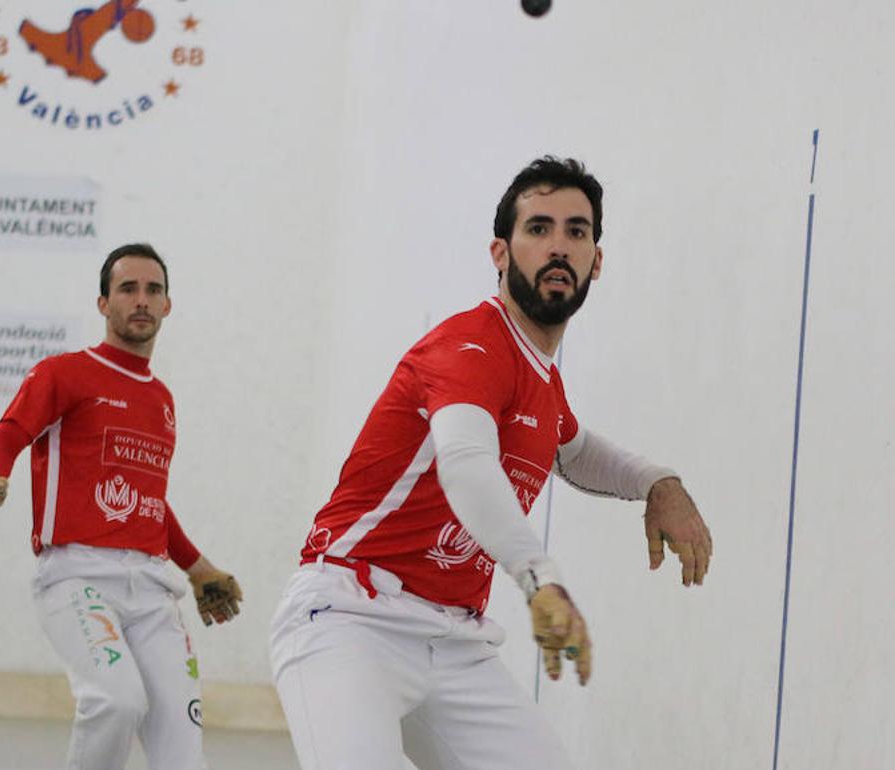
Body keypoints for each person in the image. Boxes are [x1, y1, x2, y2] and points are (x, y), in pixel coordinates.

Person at [269, 157, 714, 770]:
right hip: (349, 617)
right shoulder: (469, 346)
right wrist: (541, 578)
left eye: (577, 232)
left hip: (454, 640)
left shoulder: (541, 376)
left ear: (597, 261)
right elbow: (466, 460)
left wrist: (657, 481)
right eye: (539, 229)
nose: (558, 246)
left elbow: (575, 449)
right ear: (500, 253)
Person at [0, 244, 243, 770]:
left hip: (153, 590)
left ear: (167, 306)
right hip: (75, 579)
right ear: (102, 303)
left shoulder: (162, 399)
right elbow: (7, 436)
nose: (141, 300)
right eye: (127, 289)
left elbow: (151, 500)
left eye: (152, 290)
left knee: (183, 744)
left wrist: (198, 568)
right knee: (116, 702)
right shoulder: (64, 373)